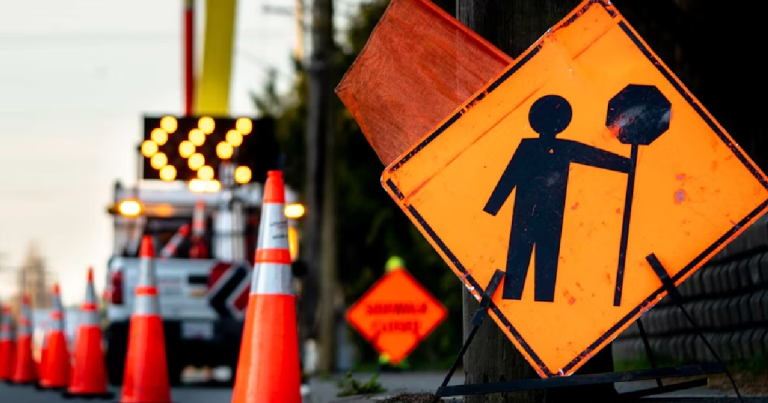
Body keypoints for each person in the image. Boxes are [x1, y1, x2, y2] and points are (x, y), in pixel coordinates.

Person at [483, 95, 631, 302]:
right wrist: (492, 208)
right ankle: (514, 302)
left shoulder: (562, 147)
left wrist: (628, 165)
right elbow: (509, 177)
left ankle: (541, 304)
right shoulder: (529, 147)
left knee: (546, 265)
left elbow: (594, 156)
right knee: (518, 266)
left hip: (550, 216)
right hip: (526, 216)